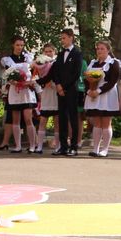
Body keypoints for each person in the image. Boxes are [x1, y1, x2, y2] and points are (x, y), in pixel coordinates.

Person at [41, 28, 83, 156]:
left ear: (71, 37)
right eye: (61, 38)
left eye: (64, 38)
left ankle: (74, 146)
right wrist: (58, 85)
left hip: (71, 90)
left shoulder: (77, 53)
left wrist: (64, 86)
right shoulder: (60, 54)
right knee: (62, 119)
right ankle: (63, 146)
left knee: (73, 118)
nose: (62, 40)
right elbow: (55, 72)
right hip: (60, 91)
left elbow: (76, 73)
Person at [83, 40, 121, 157]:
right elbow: (86, 79)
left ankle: (105, 149)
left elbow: (112, 81)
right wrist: (89, 91)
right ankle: (95, 148)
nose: (99, 51)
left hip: (106, 95)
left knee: (106, 122)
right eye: (98, 49)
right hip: (93, 94)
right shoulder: (93, 63)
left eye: (102, 49)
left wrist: (98, 91)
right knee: (97, 122)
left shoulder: (113, 63)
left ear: (108, 50)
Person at [1, 36, 37, 153]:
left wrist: (29, 82)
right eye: (17, 45)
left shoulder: (28, 58)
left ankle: (32, 145)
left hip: (26, 91)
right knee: (15, 120)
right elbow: (7, 75)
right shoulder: (8, 60)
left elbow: (33, 73)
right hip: (15, 91)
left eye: (21, 45)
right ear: (13, 45)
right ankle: (18, 146)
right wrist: (15, 82)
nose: (19, 47)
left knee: (28, 119)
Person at [32, 43, 58, 152]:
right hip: (45, 93)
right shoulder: (40, 63)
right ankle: (39, 146)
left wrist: (52, 83)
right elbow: (36, 78)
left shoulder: (57, 63)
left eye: (50, 51)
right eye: (46, 51)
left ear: (54, 52)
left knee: (57, 121)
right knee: (43, 120)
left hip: (55, 92)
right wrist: (43, 84)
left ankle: (58, 146)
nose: (48, 53)